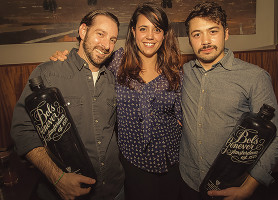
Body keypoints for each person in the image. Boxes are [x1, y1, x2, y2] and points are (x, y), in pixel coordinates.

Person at [51, 3, 183, 200]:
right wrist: (64, 59)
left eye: (157, 29)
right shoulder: (116, 61)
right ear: (133, 31)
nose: (150, 36)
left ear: (164, 35)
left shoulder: (174, 70)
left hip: (171, 162)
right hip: (132, 162)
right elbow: (87, 58)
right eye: (143, 28)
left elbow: (181, 116)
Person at [10, 10, 124, 200]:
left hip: (115, 190)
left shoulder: (113, 78)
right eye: (100, 34)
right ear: (83, 30)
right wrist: (57, 178)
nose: (106, 45)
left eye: (113, 39)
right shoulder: (48, 74)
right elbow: (22, 130)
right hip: (67, 194)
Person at [179, 2, 278, 200]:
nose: (205, 41)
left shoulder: (255, 77)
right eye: (197, 34)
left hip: (230, 186)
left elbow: (276, 137)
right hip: (188, 181)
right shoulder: (184, 73)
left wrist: (249, 187)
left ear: (226, 33)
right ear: (190, 40)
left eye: (213, 31)